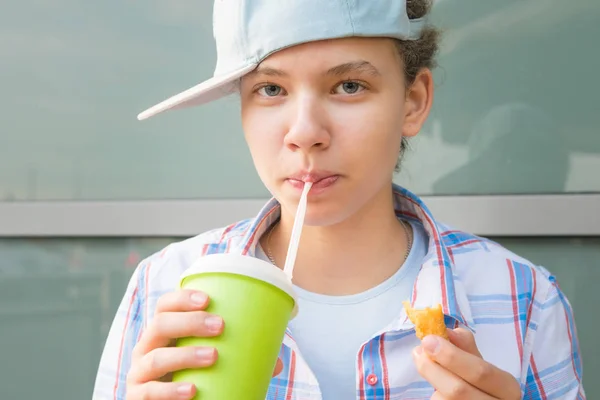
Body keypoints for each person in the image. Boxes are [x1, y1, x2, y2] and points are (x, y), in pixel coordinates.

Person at [92, 1, 585, 399]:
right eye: (269, 88)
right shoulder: (163, 288)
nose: (305, 133)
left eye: (349, 86)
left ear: (413, 101)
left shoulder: (525, 299)